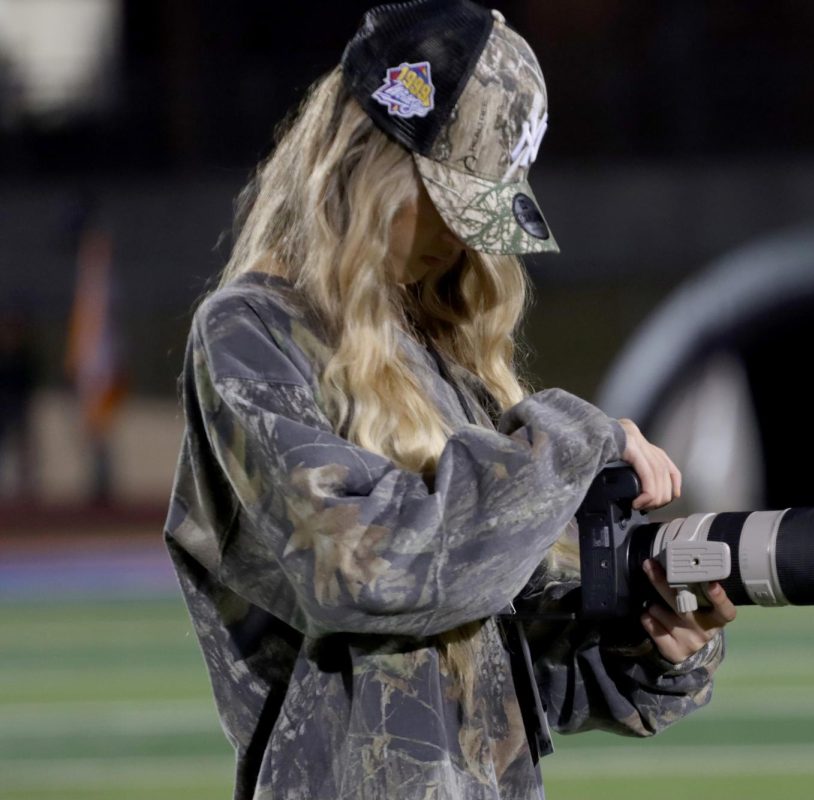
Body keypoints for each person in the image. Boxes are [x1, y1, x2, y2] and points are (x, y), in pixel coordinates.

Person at [163, 2, 734, 798]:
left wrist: (655, 641)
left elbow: (531, 670)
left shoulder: (441, 361)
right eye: (449, 200)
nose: (467, 241)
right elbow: (365, 571)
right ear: (370, 162)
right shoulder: (250, 336)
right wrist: (569, 439)